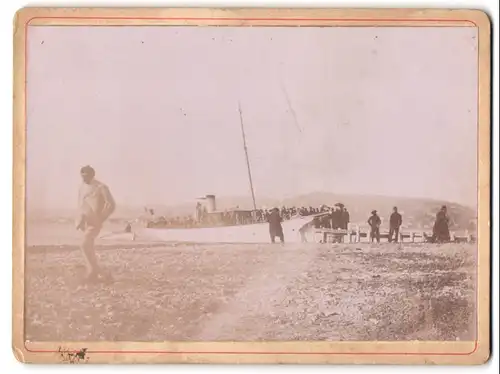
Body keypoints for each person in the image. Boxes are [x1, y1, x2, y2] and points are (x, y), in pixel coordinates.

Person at [76, 165, 116, 282]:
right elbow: (81, 204)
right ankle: (94, 273)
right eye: (82, 176)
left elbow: (111, 205)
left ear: (92, 175)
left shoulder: (101, 187)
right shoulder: (81, 187)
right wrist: (79, 220)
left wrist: (101, 218)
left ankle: (99, 273)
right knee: (88, 247)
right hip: (84, 222)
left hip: (95, 222)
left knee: (84, 245)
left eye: (86, 176)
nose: (84, 178)